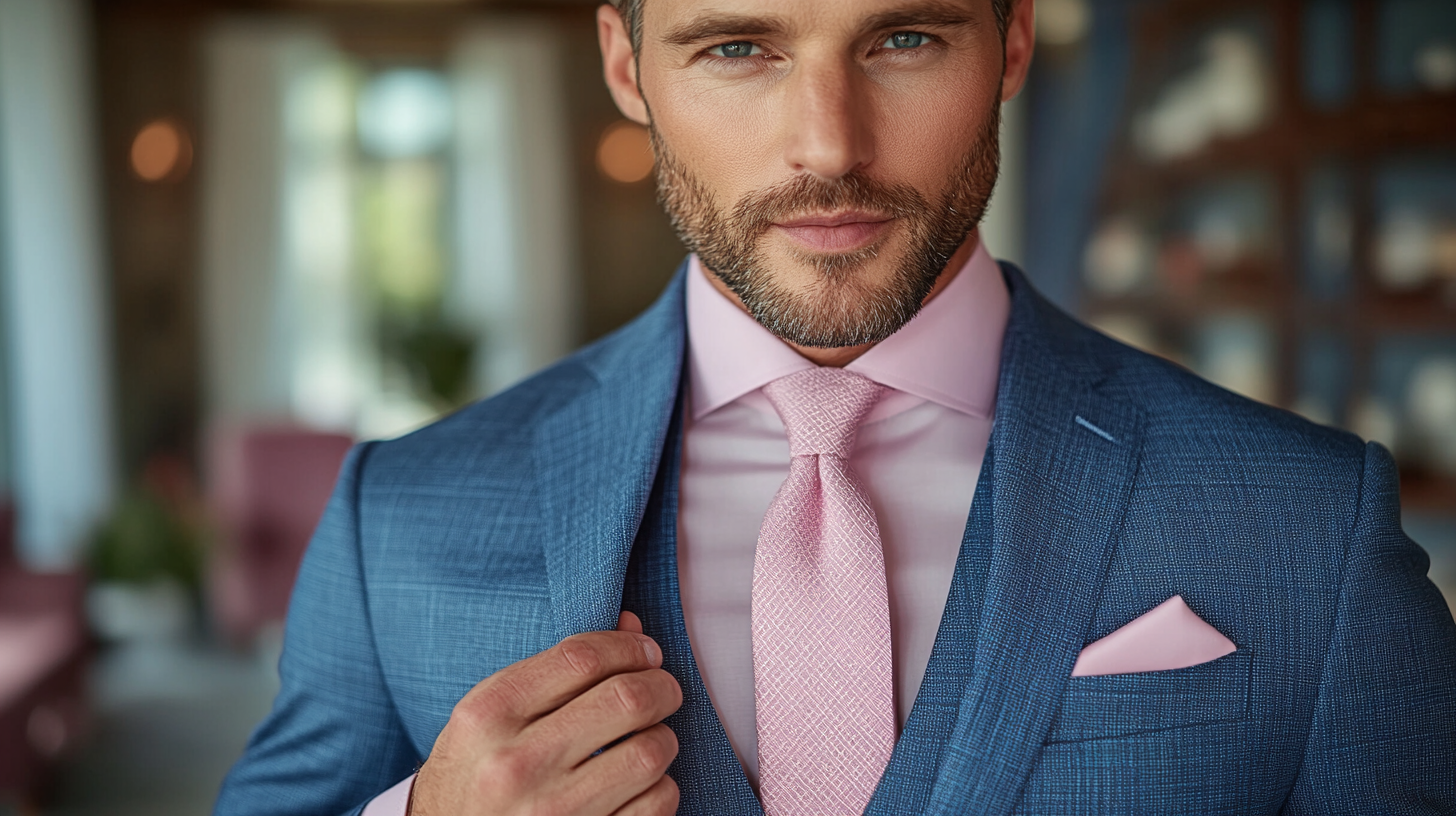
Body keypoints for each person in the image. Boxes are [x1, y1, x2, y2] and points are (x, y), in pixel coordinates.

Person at [215, 0, 1456, 813]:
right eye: (736, 48)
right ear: (624, 63)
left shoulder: (1311, 524)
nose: (828, 145)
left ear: (1013, 39)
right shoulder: (401, 515)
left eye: (905, 37)